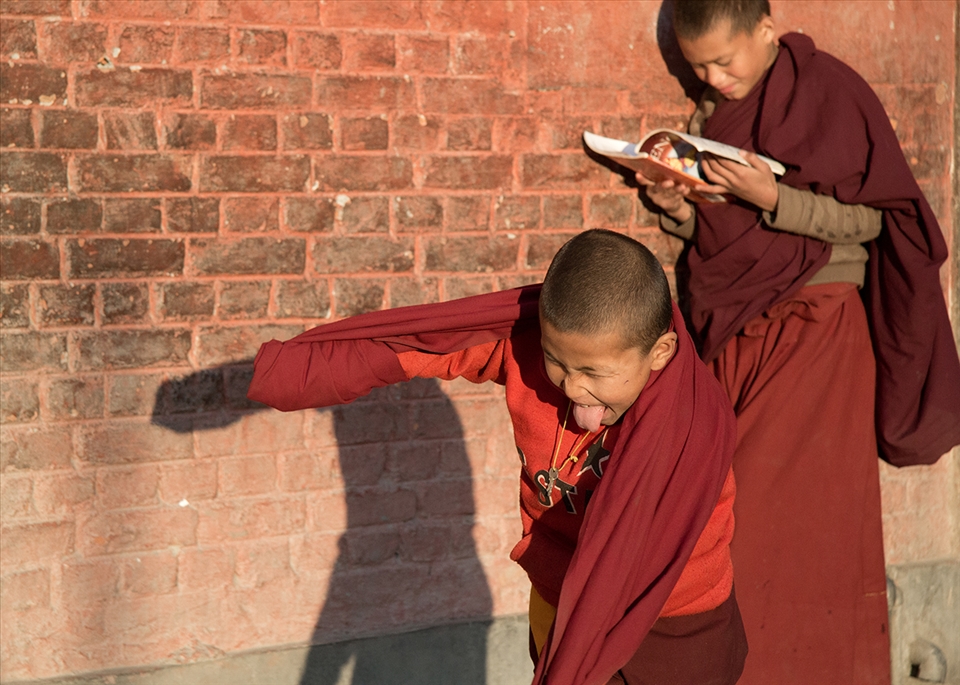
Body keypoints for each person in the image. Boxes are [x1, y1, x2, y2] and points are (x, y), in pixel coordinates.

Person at [248, 229, 748, 685]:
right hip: (556, 595)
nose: (573, 387)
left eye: (594, 373)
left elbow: (626, 566)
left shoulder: (690, 426)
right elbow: (428, 345)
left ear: (659, 353)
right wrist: (297, 371)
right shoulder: (529, 351)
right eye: (557, 361)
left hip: (675, 626)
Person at [637, 2, 960, 684]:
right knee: (724, 510)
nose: (714, 78)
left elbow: (877, 221)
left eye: (725, 60)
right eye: (698, 67)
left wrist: (772, 197)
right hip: (734, 334)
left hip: (818, 326)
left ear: (766, 31)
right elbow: (719, 241)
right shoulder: (711, 121)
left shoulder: (828, 92)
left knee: (777, 520)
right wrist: (673, 202)